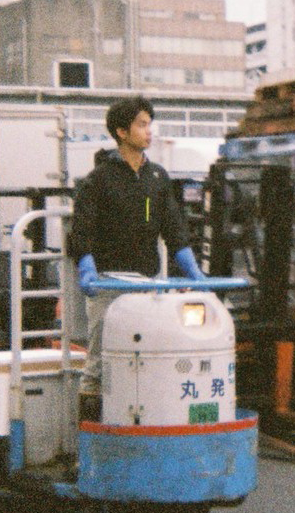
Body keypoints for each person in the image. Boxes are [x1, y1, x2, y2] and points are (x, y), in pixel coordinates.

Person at [67, 96, 206, 396]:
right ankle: (90, 435)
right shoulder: (99, 179)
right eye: (142, 125)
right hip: (108, 284)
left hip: (147, 284)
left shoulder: (156, 177)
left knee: (146, 359)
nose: (149, 131)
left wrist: (194, 271)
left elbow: (174, 229)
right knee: (99, 363)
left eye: (149, 124)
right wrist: (87, 268)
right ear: (121, 132)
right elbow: (81, 231)